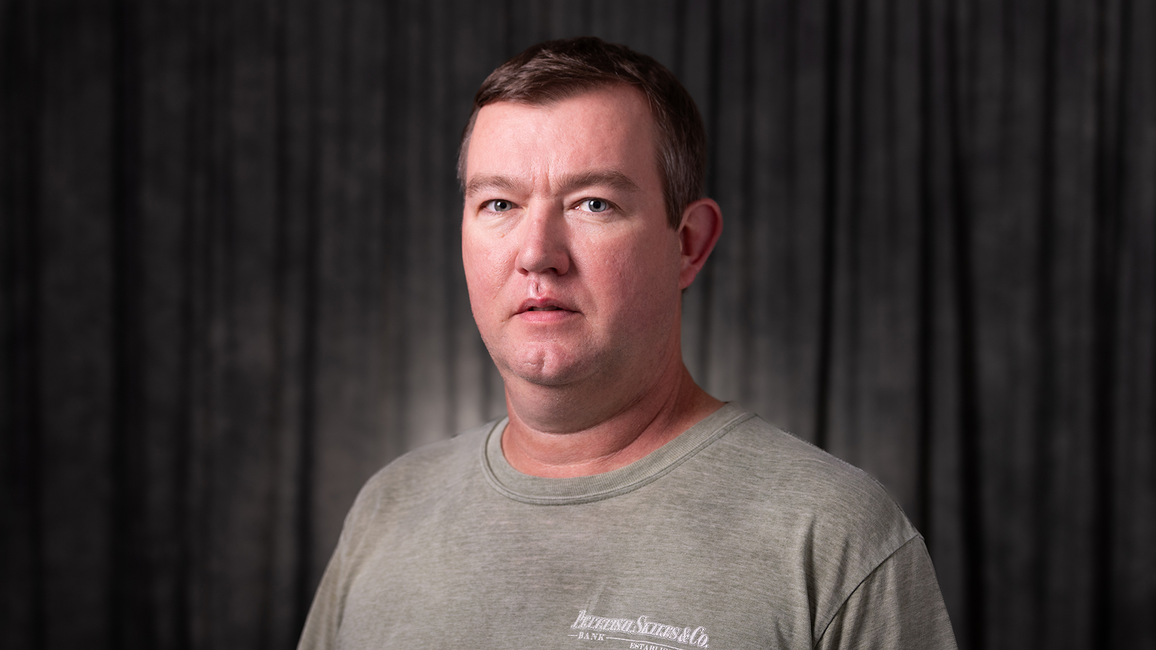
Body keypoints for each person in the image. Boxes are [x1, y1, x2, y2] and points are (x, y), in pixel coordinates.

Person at [297, 36, 957, 649]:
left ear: (689, 244)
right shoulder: (386, 510)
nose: (537, 253)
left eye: (593, 204)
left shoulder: (834, 538)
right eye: (499, 204)